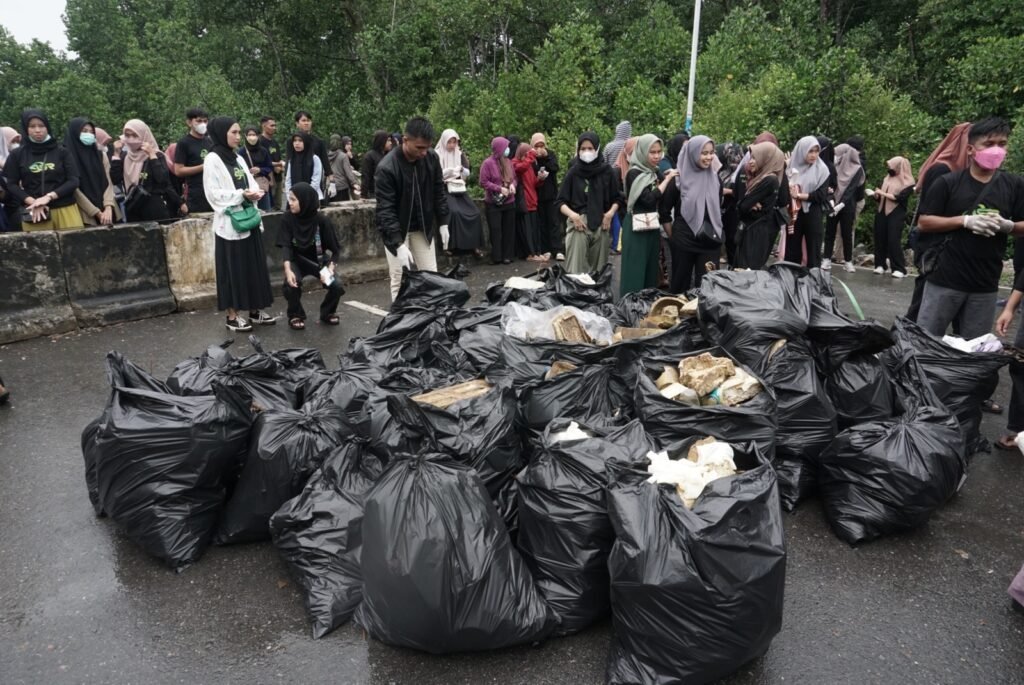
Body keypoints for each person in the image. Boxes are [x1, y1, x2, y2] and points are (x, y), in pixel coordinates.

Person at [916, 117, 1024, 342]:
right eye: (989, 144)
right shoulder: (948, 183)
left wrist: (1009, 226)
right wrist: (964, 221)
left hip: (985, 284)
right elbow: (924, 222)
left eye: (1002, 144)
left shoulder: (1014, 185)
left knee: (974, 349)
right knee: (925, 342)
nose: (996, 150)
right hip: (945, 278)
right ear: (971, 149)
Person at [203, 116, 276, 332]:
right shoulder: (213, 159)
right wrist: (240, 194)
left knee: (253, 267)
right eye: (233, 132)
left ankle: (255, 310)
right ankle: (232, 316)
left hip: (249, 220)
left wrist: (254, 192)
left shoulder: (238, 158)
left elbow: (250, 181)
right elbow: (213, 194)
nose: (238, 136)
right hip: (229, 224)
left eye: (238, 132)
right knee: (232, 271)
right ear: (221, 133)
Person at [374, 116, 450, 301]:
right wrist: (398, 244)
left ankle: (430, 318)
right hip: (397, 229)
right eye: (419, 148)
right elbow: (386, 210)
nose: (424, 152)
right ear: (405, 140)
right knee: (399, 278)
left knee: (431, 276)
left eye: (427, 147)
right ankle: (400, 322)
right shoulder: (387, 168)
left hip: (422, 227)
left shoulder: (431, 158)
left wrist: (443, 222)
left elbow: (438, 191)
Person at [906, 122, 972, 322]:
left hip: (950, 246)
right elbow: (927, 216)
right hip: (933, 245)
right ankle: (905, 340)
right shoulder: (942, 169)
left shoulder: (964, 172)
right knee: (924, 301)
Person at [660, 135, 722, 291]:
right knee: (680, 285)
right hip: (684, 240)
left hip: (709, 240)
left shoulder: (715, 179)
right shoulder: (679, 180)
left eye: (711, 152)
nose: (709, 157)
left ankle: (701, 316)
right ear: (693, 154)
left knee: (708, 286)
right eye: (704, 153)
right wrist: (674, 237)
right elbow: (664, 211)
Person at [3, 109, 82, 231]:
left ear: (47, 127)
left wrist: (48, 197)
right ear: (26, 129)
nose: (37, 130)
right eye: (32, 126)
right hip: (34, 212)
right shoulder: (17, 155)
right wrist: (33, 202)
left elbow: (73, 180)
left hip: (64, 208)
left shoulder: (62, 151)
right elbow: (12, 184)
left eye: (41, 126)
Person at [279, 182, 345, 330]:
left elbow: (335, 251)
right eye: (289, 199)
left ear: (305, 200)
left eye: (294, 200)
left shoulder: (321, 220)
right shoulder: (287, 218)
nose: (290, 203)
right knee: (291, 284)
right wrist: (288, 270)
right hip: (297, 260)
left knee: (337, 285)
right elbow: (286, 247)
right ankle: (295, 314)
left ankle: (327, 312)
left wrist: (330, 269)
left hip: (319, 261)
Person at [556, 132, 621, 275]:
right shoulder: (574, 172)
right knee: (576, 271)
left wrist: (610, 214)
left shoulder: (607, 172)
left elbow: (617, 198)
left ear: (597, 149)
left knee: (598, 272)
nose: (586, 152)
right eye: (583, 149)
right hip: (579, 223)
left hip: (601, 223)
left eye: (590, 148)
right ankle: (574, 297)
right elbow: (560, 201)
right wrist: (573, 215)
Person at [621, 134, 677, 295]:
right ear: (643, 151)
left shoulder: (654, 172)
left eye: (659, 151)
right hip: (636, 228)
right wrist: (666, 181)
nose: (656, 156)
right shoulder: (634, 173)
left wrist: (665, 177)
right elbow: (648, 199)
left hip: (651, 226)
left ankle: (646, 308)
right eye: (652, 152)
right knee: (634, 271)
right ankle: (629, 308)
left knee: (650, 269)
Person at [109, 119, 186, 222]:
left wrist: (152, 156)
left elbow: (163, 181)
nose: (131, 139)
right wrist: (116, 154)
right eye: (127, 135)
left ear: (144, 135)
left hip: (154, 207)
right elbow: (115, 179)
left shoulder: (156, 155)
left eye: (135, 136)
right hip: (134, 206)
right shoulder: (124, 157)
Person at [734, 141, 786, 270]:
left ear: (767, 159)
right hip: (754, 230)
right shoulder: (761, 178)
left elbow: (743, 206)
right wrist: (747, 202)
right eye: (751, 158)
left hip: (755, 234)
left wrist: (746, 201)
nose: (751, 161)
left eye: (755, 158)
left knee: (747, 273)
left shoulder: (769, 180)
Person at [435, 128, 483, 256]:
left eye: (454, 142)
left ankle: (474, 245)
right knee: (454, 212)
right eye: (449, 142)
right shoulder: (437, 154)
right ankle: (450, 246)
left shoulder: (459, 154)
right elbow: (437, 174)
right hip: (445, 188)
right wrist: (449, 171)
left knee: (475, 212)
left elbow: (467, 172)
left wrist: (461, 169)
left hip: (458, 187)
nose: (452, 145)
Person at [784, 136, 830, 268]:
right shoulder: (790, 168)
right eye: (810, 151)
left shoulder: (822, 170)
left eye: (816, 151)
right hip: (794, 213)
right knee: (792, 248)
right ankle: (790, 278)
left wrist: (798, 195)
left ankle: (813, 280)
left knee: (814, 248)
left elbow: (821, 195)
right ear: (801, 151)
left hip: (813, 212)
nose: (814, 155)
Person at [64, 118, 118, 226]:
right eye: (84, 131)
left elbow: (109, 182)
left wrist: (108, 206)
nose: (89, 135)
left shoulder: (100, 155)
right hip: (84, 214)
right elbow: (74, 189)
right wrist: (96, 212)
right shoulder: (66, 157)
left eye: (92, 132)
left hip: (108, 212)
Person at [870, 156, 916, 278]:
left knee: (893, 239)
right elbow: (880, 197)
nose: (889, 168)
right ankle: (880, 265)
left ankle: (899, 268)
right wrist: (876, 195)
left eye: (891, 166)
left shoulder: (908, 182)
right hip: (881, 211)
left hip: (896, 213)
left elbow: (900, 198)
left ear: (898, 167)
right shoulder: (887, 178)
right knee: (880, 237)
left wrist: (882, 193)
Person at [822, 143, 864, 273]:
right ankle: (826, 258)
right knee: (830, 231)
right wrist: (831, 201)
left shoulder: (857, 169)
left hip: (847, 205)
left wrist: (841, 204)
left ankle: (848, 261)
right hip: (832, 203)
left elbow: (851, 189)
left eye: (839, 154)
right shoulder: (834, 167)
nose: (836, 156)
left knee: (846, 233)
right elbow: (830, 184)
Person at [479, 136, 518, 265]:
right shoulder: (488, 163)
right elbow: (483, 182)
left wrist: (512, 185)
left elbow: (514, 178)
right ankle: (497, 256)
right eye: (506, 147)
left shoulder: (508, 162)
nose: (508, 150)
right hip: (494, 202)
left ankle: (508, 256)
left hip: (509, 200)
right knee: (495, 230)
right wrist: (499, 188)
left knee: (509, 230)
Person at [512, 142, 548, 262]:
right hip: (524, 202)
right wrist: (531, 156)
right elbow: (520, 169)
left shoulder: (529, 165)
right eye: (526, 153)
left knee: (534, 229)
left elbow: (533, 183)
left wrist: (540, 179)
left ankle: (536, 252)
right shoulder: (516, 163)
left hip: (533, 199)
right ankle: (530, 253)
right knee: (526, 230)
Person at [174, 107, 212, 213]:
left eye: (205, 121)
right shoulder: (184, 143)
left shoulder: (210, 141)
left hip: (213, 192)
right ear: (189, 122)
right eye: (199, 121)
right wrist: (203, 167)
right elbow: (178, 170)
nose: (203, 124)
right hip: (195, 194)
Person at [531, 132, 561, 259]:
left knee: (554, 222)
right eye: (537, 146)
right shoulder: (531, 157)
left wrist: (546, 157)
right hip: (538, 194)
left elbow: (555, 168)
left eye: (541, 145)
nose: (539, 148)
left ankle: (557, 249)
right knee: (542, 223)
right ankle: (546, 249)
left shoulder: (550, 154)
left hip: (551, 194)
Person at [605, 121, 632, 254]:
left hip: (611, 181)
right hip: (628, 182)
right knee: (625, 216)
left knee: (614, 213)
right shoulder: (632, 145)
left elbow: (604, 163)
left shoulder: (610, 146)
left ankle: (616, 244)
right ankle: (623, 243)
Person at [294, 111, 332, 200]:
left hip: (315, 177)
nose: (306, 123)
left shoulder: (318, 141)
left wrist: (331, 180)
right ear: (297, 123)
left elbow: (325, 161)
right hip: (297, 175)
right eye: (303, 120)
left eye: (308, 120)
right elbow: (290, 159)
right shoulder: (292, 141)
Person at [716, 142, 743, 266]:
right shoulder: (720, 170)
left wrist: (726, 191)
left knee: (733, 242)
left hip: (734, 211)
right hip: (719, 210)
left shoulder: (741, 171)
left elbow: (743, 191)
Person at [284, 131, 323, 207]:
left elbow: (316, 180)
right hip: (294, 199)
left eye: (300, 141)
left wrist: (305, 197)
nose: (297, 143)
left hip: (311, 198)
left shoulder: (314, 158)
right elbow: (288, 180)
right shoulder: (292, 159)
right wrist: (290, 197)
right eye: (295, 141)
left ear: (306, 142)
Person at [239, 126, 273, 210]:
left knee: (265, 210)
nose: (252, 137)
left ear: (258, 136)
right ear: (245, 136)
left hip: (261, 184)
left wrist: (260, 170)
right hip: (247, 185)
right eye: (249, 135)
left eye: (254, 134)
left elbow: (269, 167)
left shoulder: (263, 151)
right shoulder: (241, 151)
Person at [258, 116, 285, 208]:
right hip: (268, 179)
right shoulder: (259, 142)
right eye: (272, 125)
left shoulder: (274, 142)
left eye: (275, 125)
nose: (274, 128)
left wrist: (280, 164)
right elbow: (261, 162)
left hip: (278, 177)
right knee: (269, 206)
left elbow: (278, 158)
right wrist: (276, 165)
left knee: (278, 206)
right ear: (264, 126)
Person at [361, 130, 392, 199]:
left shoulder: (388, 156)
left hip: (388, 193)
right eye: (388, 141)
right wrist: (363, 195)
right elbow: (366, 176)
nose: (390, 143)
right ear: (381, 141)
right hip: (374, 194)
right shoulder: (370, 156)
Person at [328, 134, 359, 201]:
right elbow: (348, 172)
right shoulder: (343, 156)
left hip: (330, 185)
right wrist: (354, 183)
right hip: (342, 186)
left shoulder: (327, 156)